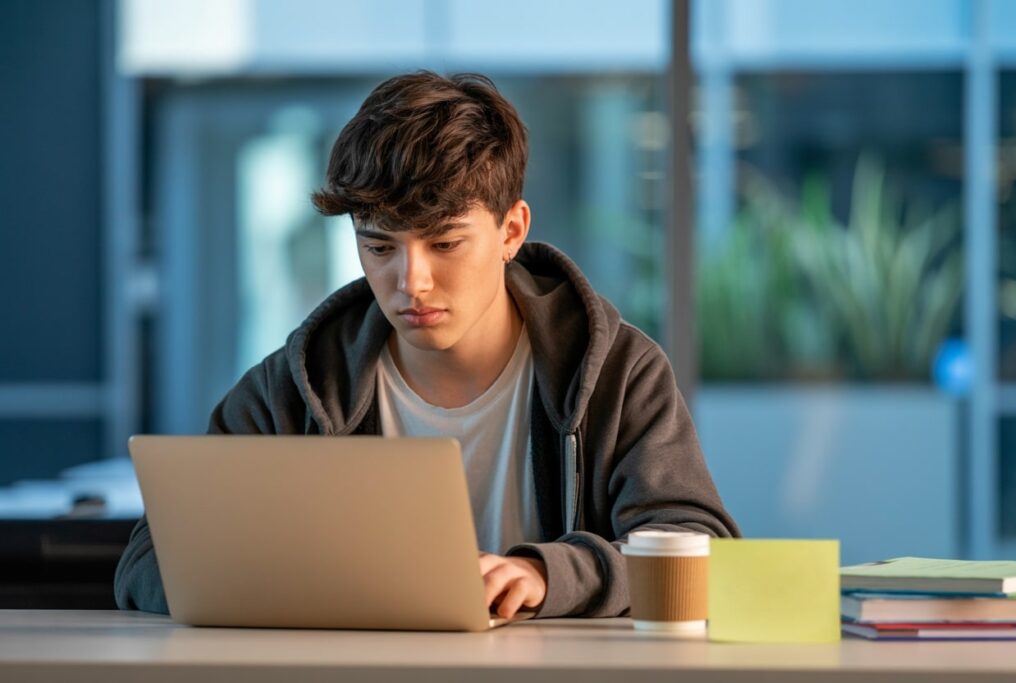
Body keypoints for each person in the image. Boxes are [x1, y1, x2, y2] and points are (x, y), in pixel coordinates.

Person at [114, 71, 739, 619]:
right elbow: (148, 561)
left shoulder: (616, 372)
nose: (410, 282)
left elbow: (702, 551)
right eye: (380, 246)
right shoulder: (300, 382)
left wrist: (549, 575)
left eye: (444, 244)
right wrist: (318, 584)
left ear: (511, 230)